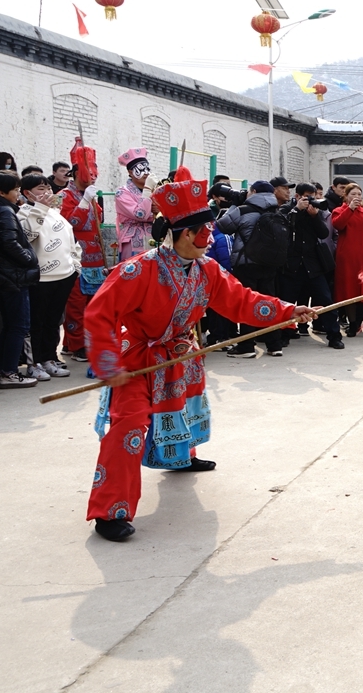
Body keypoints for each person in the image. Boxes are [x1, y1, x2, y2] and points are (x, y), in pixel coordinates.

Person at [83, 171, 316, 541]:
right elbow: (98, 314)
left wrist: (289, 311)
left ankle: (180, 457)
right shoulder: (137, 270)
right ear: (181, 234)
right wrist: (108, 365)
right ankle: (110, 510)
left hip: (180, 355)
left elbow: (242, 301)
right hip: (138, 360)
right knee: (127, 428)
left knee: (184, 408)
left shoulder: (208, 270)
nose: (208, 240)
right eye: (200, 233)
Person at [17, 173, 80, 380]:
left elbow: (71, 239)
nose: (47, 193)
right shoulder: (23, 214)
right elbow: (28, 236)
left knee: (53, 321)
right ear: (27, 193)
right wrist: (41, 209)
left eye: (48, 188)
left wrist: (75, 265)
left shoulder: (56, 213)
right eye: (40, 189)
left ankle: (49, 358)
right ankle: (34, 362)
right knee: (36, 322)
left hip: (63, 276)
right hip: (40, 278)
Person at [217, 180, 286, 358]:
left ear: (253, 191)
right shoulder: (276, 211)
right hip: (270, 263)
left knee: (247, 302)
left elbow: (222, 226)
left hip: (247, 263)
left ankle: (246, 346)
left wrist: (234, 204)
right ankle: (274, 344)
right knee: (269, 301)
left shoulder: (243, 210)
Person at [59, 136, 106, 363]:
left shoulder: (92, 195)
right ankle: (76, 344)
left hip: (95, 256)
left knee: (92, 301)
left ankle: (77, 341)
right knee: (75, 302)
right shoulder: (64, 197)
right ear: (77, 172)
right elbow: (69, 225)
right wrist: (84, 203)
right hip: (75, 254)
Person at [280, 183, 344, 349]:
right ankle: (283, 336)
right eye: (307, 197)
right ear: (297, 197)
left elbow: (323, 233)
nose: (311, 200)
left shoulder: (315, 212)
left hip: (313, 265)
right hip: (292, 266)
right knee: (287, 303)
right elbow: (285, 229)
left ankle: (334, 336)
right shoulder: (287, 210)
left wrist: (315, 216)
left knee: (326, 300)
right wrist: (297, 210)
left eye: (313, 197)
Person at [0, 171, 40, 388]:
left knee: (9, 325)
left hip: (3, 277)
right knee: (19, 326)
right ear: (2, 192)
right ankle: (9, 372)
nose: (17, 195)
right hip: (12, 277)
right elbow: (10, 243)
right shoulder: (4, 211)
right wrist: (30, 259)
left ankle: (0, 369)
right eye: (14, 190)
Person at [331, 183, 363, 338]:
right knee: (350, 290)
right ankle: (353, 324)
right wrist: (350, 208)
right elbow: (338, 225)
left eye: (359, 194)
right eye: (353, 194)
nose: (357, 197)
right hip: (348, 257)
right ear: (346, 196)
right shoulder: (339, 211)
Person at [114, 148, 157, 261]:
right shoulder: (122, 193)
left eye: (147, 168)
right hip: (133, 242)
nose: (146, 172)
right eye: (141, 168)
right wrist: (147, 189)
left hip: (154, 239)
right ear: (130, 172)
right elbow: (140, 214)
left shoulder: (155, 190)